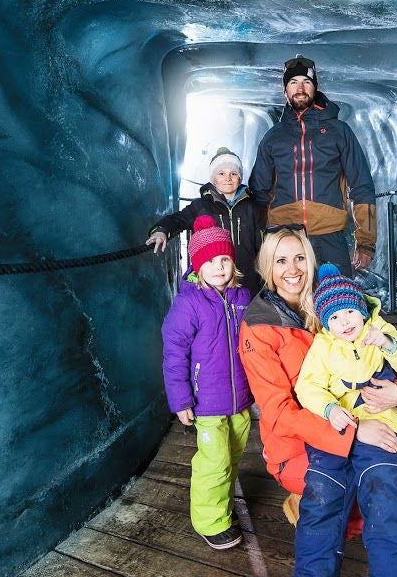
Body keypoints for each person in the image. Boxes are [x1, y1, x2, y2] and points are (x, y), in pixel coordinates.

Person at [238, 229, 397, 577]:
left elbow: (385, 348)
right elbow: (278, 413)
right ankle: (317, 505)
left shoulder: (335, 302)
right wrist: (354, 431)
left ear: (310, 261)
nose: (292, 270)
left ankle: (325, 511)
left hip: (357, 430)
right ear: (267, 267)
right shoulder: (258, 327)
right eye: (281, 261)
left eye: (299, 258)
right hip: (300, 447)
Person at [282, 264, 397, 577]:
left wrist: (389, 343)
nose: (344, 322)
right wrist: (331, 409)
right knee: (321, 498)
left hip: (382, 430)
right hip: (335, 432)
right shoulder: (322, 348)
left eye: (349, 312)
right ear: (325, 322)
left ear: (361, 311)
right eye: (335, 316)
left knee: (388, 494)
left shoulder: (378, 332)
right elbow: (307, 388)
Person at [161, 216, 255, 549]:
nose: (219, 267)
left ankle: (223, 508)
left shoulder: (242, 298)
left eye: (225, 259)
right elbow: (174, 354)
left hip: (240, 400)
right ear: (198, 266)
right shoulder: (189, 304)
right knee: (213, 462)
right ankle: (210, 522)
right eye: (211, 261)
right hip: (206, 402)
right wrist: (181, 400)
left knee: (231, 456)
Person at [248, 56, 377, 276]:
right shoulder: (273, 137)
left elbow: (362, 185)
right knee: (288, 308)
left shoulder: (340, 131)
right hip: (285, 237)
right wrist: (257, 243)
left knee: (338, 304)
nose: (300, 88)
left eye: (306, 82)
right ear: (285, 91)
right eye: (293, 83)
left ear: (315, 87)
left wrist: (365, 242)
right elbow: (258, 193)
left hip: (330, 237)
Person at [146, 147, 263, 292]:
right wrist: (161, 230)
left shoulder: (251, 208)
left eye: (233, 173)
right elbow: (178, 219)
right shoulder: (201, 206)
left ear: (240, 178)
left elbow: (263, 245)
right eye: (221, 173)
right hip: (213, 281)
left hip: (248, 280)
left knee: (246, 314)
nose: (228, 178)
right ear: (213, 179)